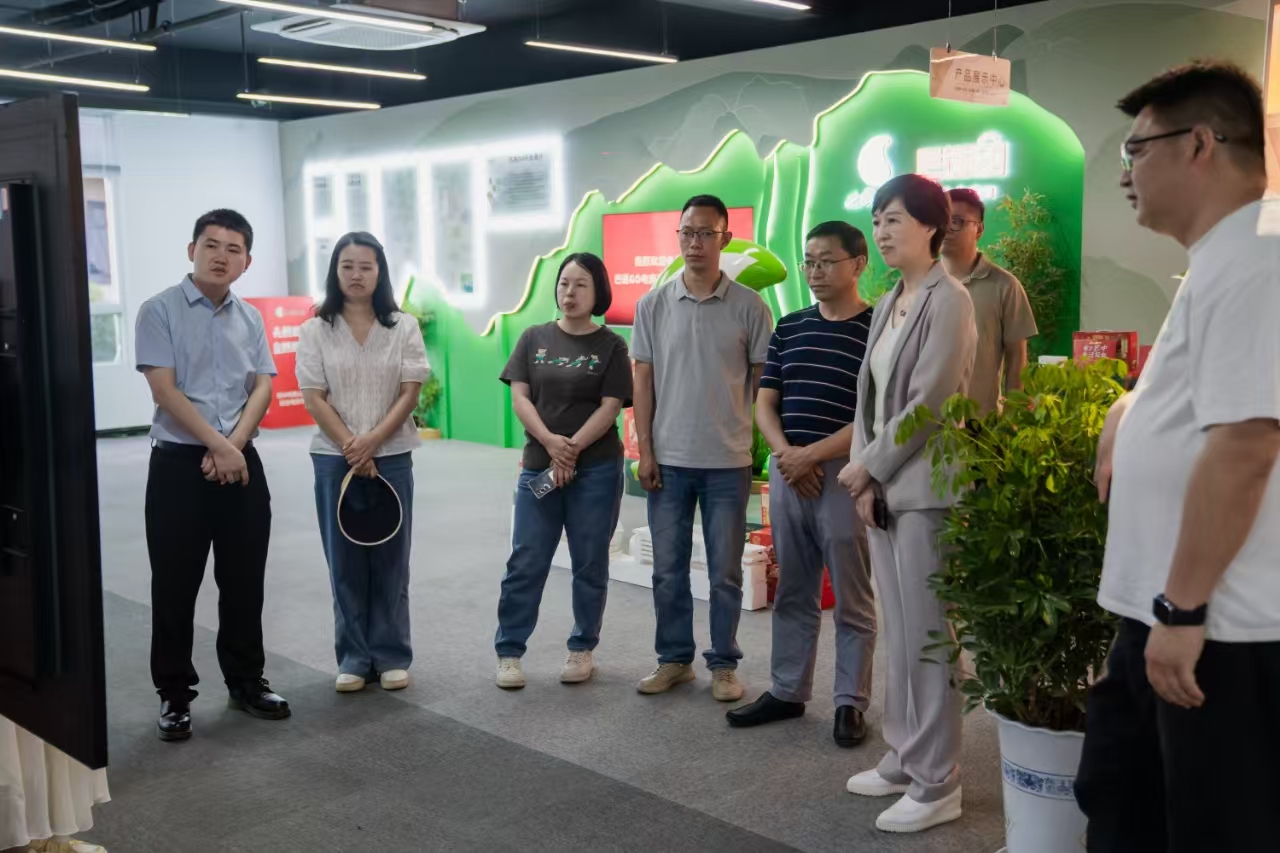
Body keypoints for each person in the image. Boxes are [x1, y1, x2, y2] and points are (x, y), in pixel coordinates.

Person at [1074, 61, 1280, 853]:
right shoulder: (1223, 256)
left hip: (1215, 629)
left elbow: (1247, 445)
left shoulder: (1259, 256)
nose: (1124, 172)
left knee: (1211, 826)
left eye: (1138, 149)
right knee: (1123, 802)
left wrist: (1183, 611)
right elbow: (1205, 394)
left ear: (1200, 144)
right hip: (1166, 613)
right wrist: (1128, 407)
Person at [837, 175, 976, 834]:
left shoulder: (950, 300)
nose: (881, 231)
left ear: (930, 226)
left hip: (926, 490)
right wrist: (865, 478)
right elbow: (867, 399)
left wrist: (869, 466)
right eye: (876, 220)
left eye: (893, 219)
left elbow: (931, 401)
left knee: (928, 634)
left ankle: (938, 778)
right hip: (885, 488)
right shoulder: (892, 298)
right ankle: (904, 754)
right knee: (898, 628)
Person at [135, 209, 289, 742]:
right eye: (211, 245)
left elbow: (263, 385)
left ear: (247, 261)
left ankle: (246, 681)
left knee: (244, 580)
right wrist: (220, 445)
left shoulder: (250, 318)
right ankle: (174, 694)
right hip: (180, 465)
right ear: (192, 250)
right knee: (174, 584)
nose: (221, 256)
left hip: (240, 461)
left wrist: (234, 446)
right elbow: (164, 390)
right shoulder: (159, 310)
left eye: (233, 249)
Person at [726, 221, 877, 748]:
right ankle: (788, 691)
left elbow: (875, 416)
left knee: (853, 595)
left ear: (858, 264)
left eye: (826, 261)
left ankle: (850, 701)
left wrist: (811, 455)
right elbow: (765, 402)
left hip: (845, 475)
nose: (815, 271)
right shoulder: (790, 326)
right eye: (809, 261)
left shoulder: (878, 329)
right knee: (793, 587)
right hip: (790, 473)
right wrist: (787, 455)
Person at [631, 194, 773, 703]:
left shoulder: (751, 307)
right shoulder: (652, 305)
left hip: (727, 463)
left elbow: (761, 383)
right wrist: (646, 451)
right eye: (687, 232)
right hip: (668, 460)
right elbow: (642, 382)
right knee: (667, 570)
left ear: (725, 239)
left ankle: (724, 664)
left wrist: (744, 436)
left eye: (705, 233)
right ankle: (674, 660)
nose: (694, 243)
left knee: (725, 573)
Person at [296, 232, 428, 694]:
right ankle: (353, 656)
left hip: (392, 455)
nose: (356, 275)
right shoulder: (315, 329)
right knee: (345, 560)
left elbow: (409, 391)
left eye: (366, 266)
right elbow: (314, 396)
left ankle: (391, 654)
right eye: (347, 265)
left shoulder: (403, 326)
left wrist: (371, 442)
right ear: (335, 271)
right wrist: (352, 446)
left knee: (392, 559)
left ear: (380, 272)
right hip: (334, 459)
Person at [493, 253, 632, 689]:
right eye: (564, 283)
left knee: (589, 560)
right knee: (527, 558)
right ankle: (509, 652)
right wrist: (552, 445)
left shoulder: (612, 345)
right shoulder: (533, 337)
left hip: (596, 470)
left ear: (598, 292)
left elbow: (611, 406)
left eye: (580, 285)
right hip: (540, 468)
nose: (569, 293)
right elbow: (520, 398)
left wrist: (571, 450)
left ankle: (582, 647)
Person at [939, 188, 1037, 415]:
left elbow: (1017, 358)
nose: (946, 229)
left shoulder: (1005, 286)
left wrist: (1012, 416)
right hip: (927, 423)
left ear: (979, 229)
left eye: (957, 221)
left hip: (981, 422)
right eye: (941, 220)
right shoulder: (922, 284)